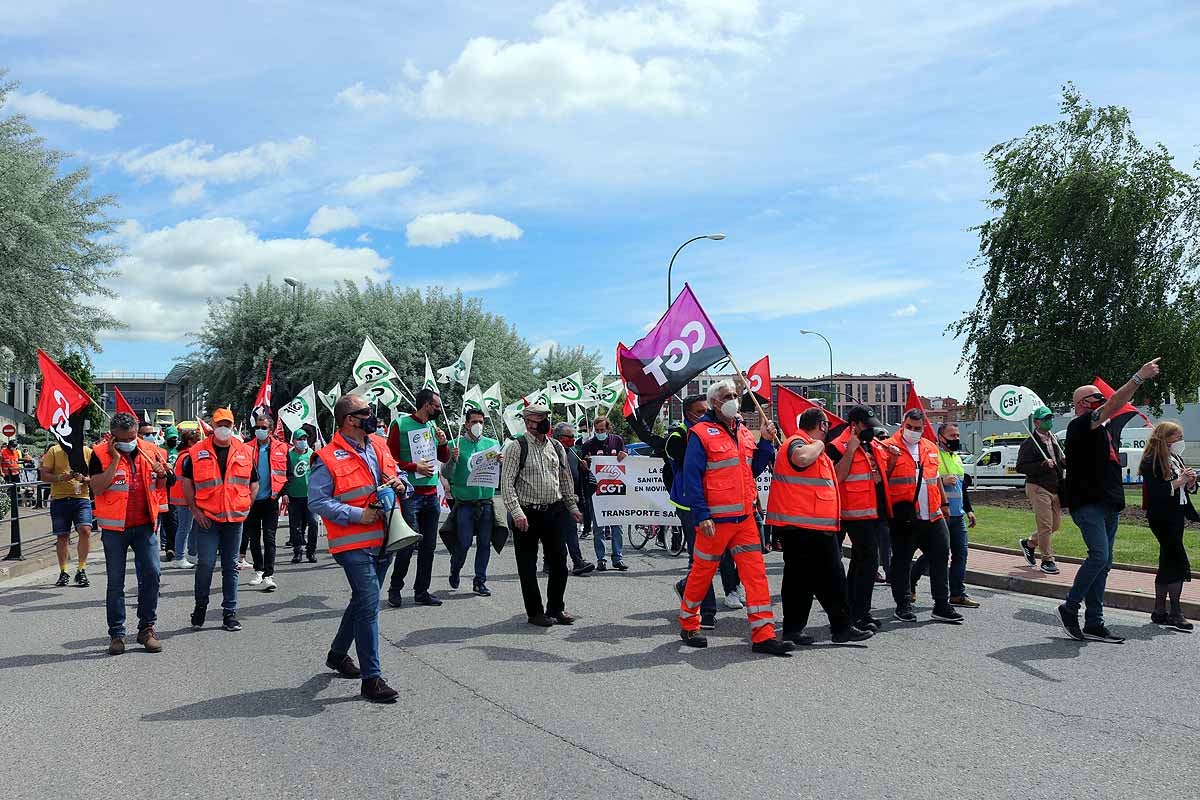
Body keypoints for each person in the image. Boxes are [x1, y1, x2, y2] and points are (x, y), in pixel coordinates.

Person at [675, 380, 793, 655]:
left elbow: (754, 469)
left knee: (756, 577)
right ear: (715, 402)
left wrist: (765, 440)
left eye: (736, 395)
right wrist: (701, 514)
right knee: (701, 575)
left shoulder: (742, 431)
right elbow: (692, 478)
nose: (734, 399)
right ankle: (689, 623)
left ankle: (763, 635)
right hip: (714, 522)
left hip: (744, 519)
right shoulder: (700, 433)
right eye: (728, 396)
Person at [310, 394, 407, 703]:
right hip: (353, 543)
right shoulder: (326, 457)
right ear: (349, 419)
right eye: (365, 412)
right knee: (368, 605)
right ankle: (372, 679)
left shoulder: (378, 444)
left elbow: (397, 473)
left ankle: (338, 655)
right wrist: (357, 515)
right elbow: (317, 500)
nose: (372, 415)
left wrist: (402, 482)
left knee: (361, 603)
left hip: (386, 536)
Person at [1058, 358, 1161, 644]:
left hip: (1107, 505)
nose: (1104, 402)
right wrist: (1138, 377)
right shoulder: (1080, 425)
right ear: (1081, 403)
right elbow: (1116, 403)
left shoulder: (1101, 430)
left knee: (1104, 564)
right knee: (1099, 557)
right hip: (1089, 505)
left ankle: (1094, 622)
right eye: (1097, 399)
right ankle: (1069, 607)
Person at [767, 408, 873, 646]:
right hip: (805, 527)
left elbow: (837, 476)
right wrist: (819, 444)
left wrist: (848, 450)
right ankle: (842, 628)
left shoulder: (815, 450)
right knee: (832, 579)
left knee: (800, 581)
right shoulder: (799, 442)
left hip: (809, 526)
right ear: (822, 425)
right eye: (827, 426)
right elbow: (801, 458)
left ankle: (794, 630)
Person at [89, 412, 168, 655]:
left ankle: (147, 629)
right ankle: (117, 634)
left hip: (145, 526)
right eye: (124, 438)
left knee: (152, 575)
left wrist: (163, 473)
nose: (130, 441)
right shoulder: (99, 453)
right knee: (115, 583)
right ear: (113, 437)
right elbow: (98, 487)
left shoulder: (150, 450)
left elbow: (162, 485)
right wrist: (114, 459)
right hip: (115, 530)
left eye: (133, 436)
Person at [499, 403, 582, 627]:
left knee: (559, 563)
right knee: (527, 565)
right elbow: (506, 483)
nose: (545, 421)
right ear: (528, 422)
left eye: (546, 417)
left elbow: (564, 480)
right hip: (526, 513)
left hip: (554, 511)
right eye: (539, 417)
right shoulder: (517, 447)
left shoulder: (556, 446)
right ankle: (535, 612)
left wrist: (572, 507)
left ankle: (556, 608)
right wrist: (516, 512)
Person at [884, 409, 963, 624]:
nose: (913, 431)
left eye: (917, 429)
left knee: (940, 558)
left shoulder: (929, 448)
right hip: (905, 517)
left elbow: (934, 478)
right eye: (909, 427)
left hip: (933, 515)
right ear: (903, 424)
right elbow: (881, 480)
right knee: (902, 562)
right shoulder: (889, 448)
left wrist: (944, 503)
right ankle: (903, 605)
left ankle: (941, 605)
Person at [668, 394, 740, 629]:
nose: (705, 414)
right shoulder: (678, 435)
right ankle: (707, 611)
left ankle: (689, 586)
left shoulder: (715, 429)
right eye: (700, 412)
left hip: (717, 502)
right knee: (701, 557)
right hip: (690, 505)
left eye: (706, 410)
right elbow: (685, 461)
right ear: (689, 414)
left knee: (720, 555)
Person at [182, 408, 256, 632]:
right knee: (205, 564)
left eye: (227, 424)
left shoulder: (244, 451)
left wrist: (246, 505)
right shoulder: (196, 452)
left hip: (235, 520)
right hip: (207, 520)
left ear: (233, 426)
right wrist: (195, 511)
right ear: (212, 426)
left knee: (231, 567)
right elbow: (187, 483)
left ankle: (230, 614)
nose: (224, 428)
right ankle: (200, 608)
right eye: (219, 424)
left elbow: (254, 483)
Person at [827, 404, 894, 631]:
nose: (870, 430)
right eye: (867, 426)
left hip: (872, 511)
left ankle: (856, 611)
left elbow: (882, 471)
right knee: (868, 562)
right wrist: (851, 450)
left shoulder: (870, 443)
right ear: (854, 425)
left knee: (860, 562)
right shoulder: (837, 446)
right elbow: (836, 477)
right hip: (853, 513)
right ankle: (860, 613)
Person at [387, 388, 450, 608]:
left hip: (431, 494)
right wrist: (414, 467)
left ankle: (421, 591)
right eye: (437, 406)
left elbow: (443, 457)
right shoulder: (401, 425)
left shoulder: (432, 427)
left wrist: (442, 443)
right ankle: (395, 588)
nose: (439, 410)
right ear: (426, 405)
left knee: (428, 546)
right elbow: (389, 459)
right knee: (407, 545)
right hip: (410, 495)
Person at [912, 422, 979, 608]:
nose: (956, 439)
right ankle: (911, 579)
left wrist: (969, 510)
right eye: (952, 436)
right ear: (940, 437)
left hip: (957, 515)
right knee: (935, 554)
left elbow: (962, 488)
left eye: (957, 436)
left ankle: (957, 594)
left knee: (961, 554)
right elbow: (924, 480)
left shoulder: (956, 458)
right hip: (940, 514)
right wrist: (941, 479)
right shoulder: (933, 455)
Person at [1139, 421, 1195, 632]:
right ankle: (1176, 612)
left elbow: (1182, 487)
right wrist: (1180, 481)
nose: (1180, 441)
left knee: (1167, 560)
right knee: (1177, 560)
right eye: (1177, 437)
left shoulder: (1175, 457)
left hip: (1177, 513)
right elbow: (1158, 490)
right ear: (1165, 438)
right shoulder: (1151, 460)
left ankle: (1159, 610)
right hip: (1162, 515)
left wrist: (1190, 482)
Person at [444, 408, 499, 595]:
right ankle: (455, 568)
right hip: (465, 504)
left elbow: (500, 470)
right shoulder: (454, 444)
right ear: (466, 424)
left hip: (486, 502)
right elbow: (445, 473)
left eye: (481, 422)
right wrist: (452, 459)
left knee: (484, 543)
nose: (478, 425)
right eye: (474, 422)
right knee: (464, 542)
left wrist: (501, 461)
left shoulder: (492, 444)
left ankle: (480, 580)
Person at [242, 413, 289, 592]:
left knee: (269, 538)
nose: (260, 430)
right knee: (254, 538)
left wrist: (284, 493)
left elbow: (286, 473)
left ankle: (269, 574)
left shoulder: (281, 448)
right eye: (257, 427)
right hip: (251, 500)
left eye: (263, 427)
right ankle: (258, 570)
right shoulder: (246, 448)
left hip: (270, 500)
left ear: (270, 430)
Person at [38, 440, 94, 588]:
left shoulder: (87, 451)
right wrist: (62, 477)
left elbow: (96, 476)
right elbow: (44, 475)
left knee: (85, 530)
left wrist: (85, 479)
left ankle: (81, 569)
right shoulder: (54, 451)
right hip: (60, 499)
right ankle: (64, 572)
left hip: (81, 499)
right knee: (62, 536)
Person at [1016, 406, 1065, 574]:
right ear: (1036, 422)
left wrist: (1062, 463)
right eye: (1045, 419)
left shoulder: (1054, 439)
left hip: (1054, 487)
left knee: (1055, 525)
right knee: (1045, 525)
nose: (1049, 421)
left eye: (1050, 418)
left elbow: (1058, 462)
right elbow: (1020, 467)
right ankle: (1047, 559)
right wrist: (1042, 465)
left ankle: (1029, 543)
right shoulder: (1029, 443)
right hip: (1038, 486)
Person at [579, 416, 628, 570]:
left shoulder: (617, 441)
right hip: (597, 492)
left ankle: (617, 558)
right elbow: (583, 468)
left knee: (617, 526)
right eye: (597, 430)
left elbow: (625, 457)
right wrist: (584, 465)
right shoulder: (588, 445)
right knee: (598, 527)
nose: (600, 432)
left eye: (602, 430)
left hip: (615, 490)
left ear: (608, 429)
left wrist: (624, 455)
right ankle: (601, 559)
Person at [551, 422, 596, 576]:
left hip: (571, 500)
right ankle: (550, 562)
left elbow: (578, 477)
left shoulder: (573, 452)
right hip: (553, 500)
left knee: (571, 531)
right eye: (568, 437)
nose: (571, 440)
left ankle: (577, 562)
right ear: (557, 437)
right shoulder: (551, 452)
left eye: (573, 437)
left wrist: (584, 468)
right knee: (555, 534)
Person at [138, 420, 173, 561]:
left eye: (152, 433)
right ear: (137, 434)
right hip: (143, 505)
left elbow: (171, 480)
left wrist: (166, 472)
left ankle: (169, 547)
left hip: (160, 500)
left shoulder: (160, 452)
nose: (150, 437)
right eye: (146, 434)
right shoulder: (131, 455)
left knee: (169, 525)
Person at [168, 426, 202, 568]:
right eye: (197, 441)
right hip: (185, 498)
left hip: (182, 497)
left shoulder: (183, 454)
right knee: (185, 528)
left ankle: (191, 554)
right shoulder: (188, 456)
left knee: (192, 527)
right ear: (189, 442)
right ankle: (180, 557)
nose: (200, 443)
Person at [286, 430, 320, 564]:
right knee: (295, 526)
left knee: (313, 523)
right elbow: (286, 475)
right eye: (300, 439)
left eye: (305, 438)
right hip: (294, 495)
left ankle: (311, 551)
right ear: (294, 441)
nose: (303, 441)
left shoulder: (312, 454)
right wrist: (285, 493)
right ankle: (297, 551)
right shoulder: (289, 456)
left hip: (310, 495)